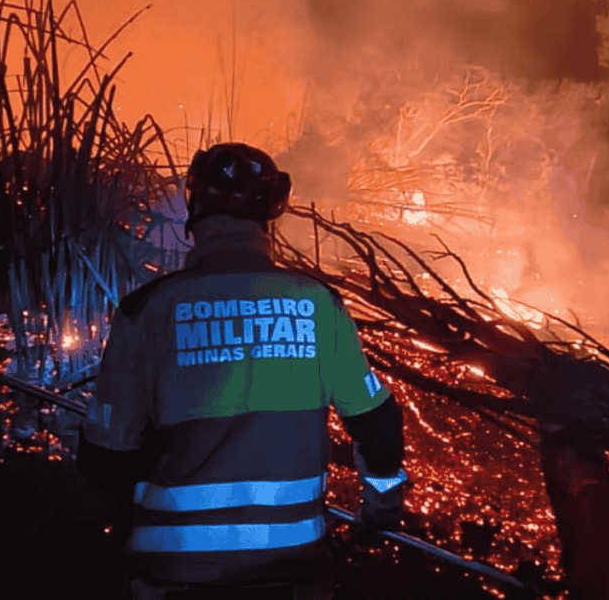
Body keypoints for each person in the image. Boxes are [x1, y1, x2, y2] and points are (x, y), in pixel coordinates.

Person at [76, 143, 407, 599]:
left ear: (195, 206)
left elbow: (105, 457)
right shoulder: (317, 305)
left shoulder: (147, 311)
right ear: (271, 212)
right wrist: (379, 515)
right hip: (293, 571)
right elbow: (378, 423)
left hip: (172, 575)